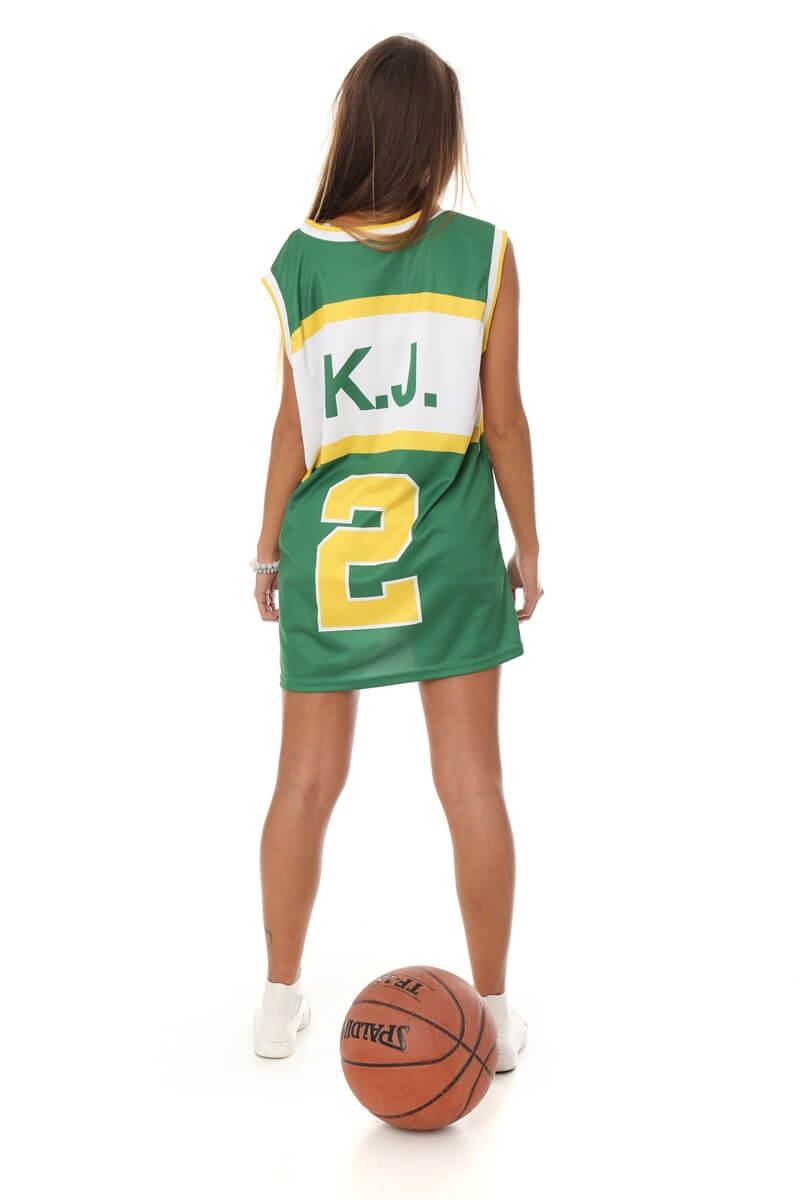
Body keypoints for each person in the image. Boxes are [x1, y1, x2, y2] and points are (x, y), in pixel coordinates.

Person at [251, 35, 543, 1072]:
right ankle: (493, 1019)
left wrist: (265, 551)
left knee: (302, 784)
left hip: (331, 560)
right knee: (471, 785)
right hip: (450, 553)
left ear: (356, 129)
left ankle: (276, 1001)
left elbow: (293, 430)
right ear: (439, 135)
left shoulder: (299, 260)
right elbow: (501, 420)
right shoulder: (484, 251)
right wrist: (530, 543)